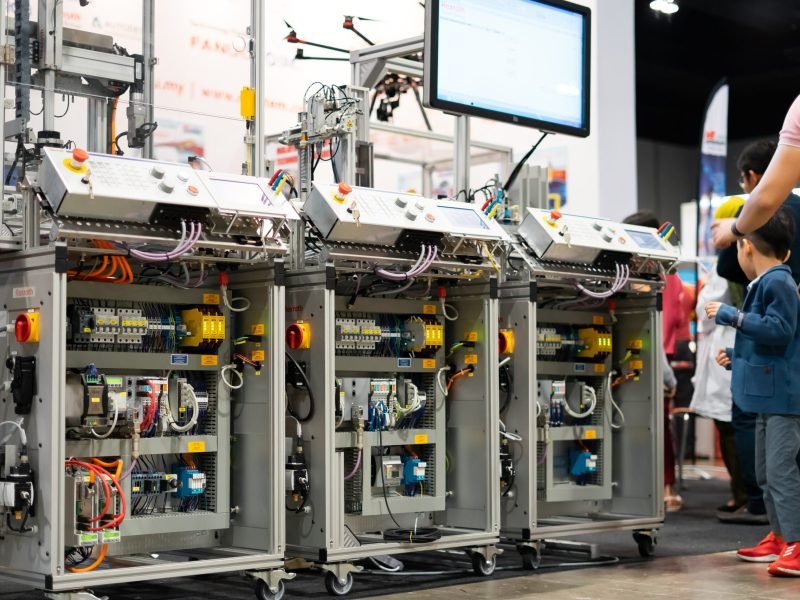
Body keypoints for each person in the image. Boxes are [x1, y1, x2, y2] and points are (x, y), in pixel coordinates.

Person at [706, 206, 800, 576]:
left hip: (783, 399)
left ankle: (795, 541)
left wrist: (732, 316)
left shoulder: (777, 281)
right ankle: (780, 536)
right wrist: (737, 357)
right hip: (768, 394)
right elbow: (771, 342)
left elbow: (780, 330)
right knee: (765, 473)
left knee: (780, 471)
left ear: (745, 247)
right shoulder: (768, 282)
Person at [623, 210, 684, 510]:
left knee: (654, 429)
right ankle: (660, 487)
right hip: (655, 357)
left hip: (654, 359)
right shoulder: (670, 276)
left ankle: (663, 488)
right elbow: (678, 320)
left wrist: (666, 374)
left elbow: (662, 323)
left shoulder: (658, 276)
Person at [691, 196, 748, 516]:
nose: (714, 230)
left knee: (730, 427)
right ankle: (744, 493)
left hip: (726, 349)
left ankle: (741, 494)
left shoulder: (727, 262)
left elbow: (706, 310)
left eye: (718, 222)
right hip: (735, 347)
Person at [712, 95, 800, 250]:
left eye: (742, 178)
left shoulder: (748, 213)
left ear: (751, 176)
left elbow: (765, 201)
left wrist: (734, 229)